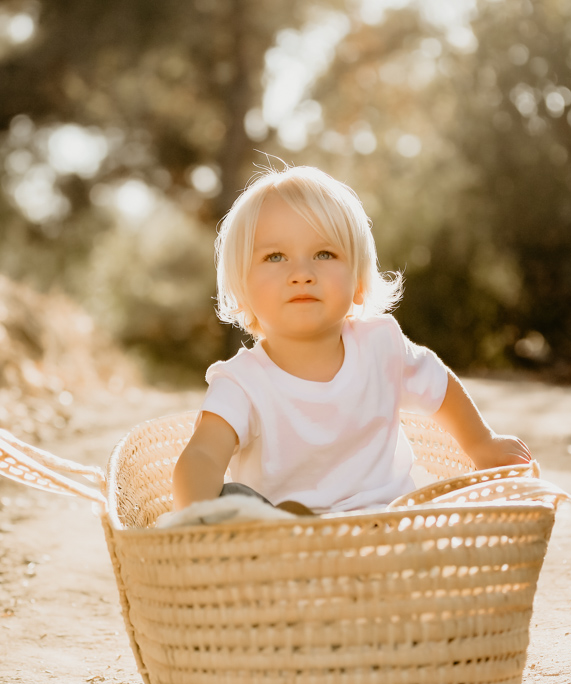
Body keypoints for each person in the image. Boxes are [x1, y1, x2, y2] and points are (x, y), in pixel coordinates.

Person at [172, 164, 530, 515]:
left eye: (324, 254)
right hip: (282, 542)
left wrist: (482, 442)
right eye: (275, 256)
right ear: (242, 288)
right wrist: (197, 516)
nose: (301, 273)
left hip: (387, 521)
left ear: (359, 282)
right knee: (234, 499)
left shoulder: (381, 346)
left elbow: (439, 387)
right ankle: (293, 533)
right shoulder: (243, 382)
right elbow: (203, 454)